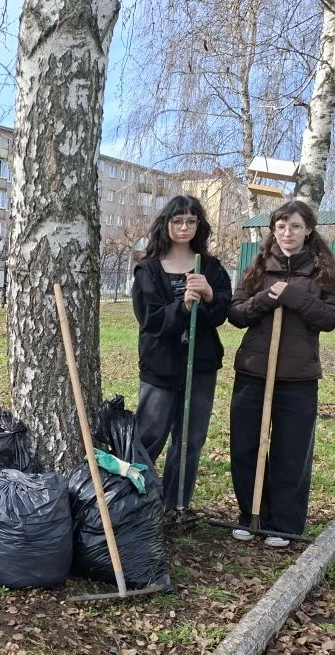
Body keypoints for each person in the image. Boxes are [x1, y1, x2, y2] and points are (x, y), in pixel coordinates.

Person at [228, 200, 335, 548]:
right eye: (280, 226)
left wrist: (293, 296)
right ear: (273, 230)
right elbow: (236, 314)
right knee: (246, 446)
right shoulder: (258, 267)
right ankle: (250, 514)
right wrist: (267, 297)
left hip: (298, 376)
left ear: (308, 229)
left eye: (294, 226)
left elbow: (330, 318)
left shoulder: (324, 271)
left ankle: (284, 523)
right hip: (254, 370)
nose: (287, 233)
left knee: (291, 451)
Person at [131, 196, 232, 522]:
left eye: (191, 221)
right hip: (160, 366)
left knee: (190, 439)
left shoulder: (210, 267)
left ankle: (175, 506)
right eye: (178, 221)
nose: (184, 227)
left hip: (200, 365)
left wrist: (210, 295)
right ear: (167, 224)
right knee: (149, 436)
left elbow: (222, 313)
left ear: (199, 225)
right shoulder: (149, 268)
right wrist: (184, 307)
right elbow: (150, 320)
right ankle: (136, 505)